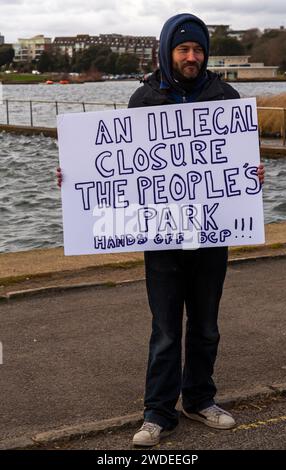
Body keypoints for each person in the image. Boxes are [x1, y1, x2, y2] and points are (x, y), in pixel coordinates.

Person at [56, 11, 265, 448]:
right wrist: (77, 175)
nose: (192, 56)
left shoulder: (226, 96)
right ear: (168, 51)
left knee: (206, 324)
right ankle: (158, 413)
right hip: (164, 236)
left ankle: (201, 399)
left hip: (211, 234)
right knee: (166, 327)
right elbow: (119, 165)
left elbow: (236, 161)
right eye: (184, 48)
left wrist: (252, 175)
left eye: (198, 49)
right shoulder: (143, 98)